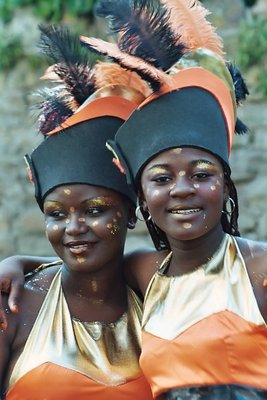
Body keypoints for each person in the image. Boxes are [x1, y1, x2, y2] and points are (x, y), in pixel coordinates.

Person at [1, 2, 267, 399]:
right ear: (143, 195)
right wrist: (16, 264)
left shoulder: (245, 269)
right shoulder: (143, 274)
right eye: (162, 178)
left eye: (201, 174)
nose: (181, 189)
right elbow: (81, 263)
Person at [0, 24, 154, 399]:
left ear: (131, 213)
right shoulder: (14, 308)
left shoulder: (156, 297)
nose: (73, 228)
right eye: (56, 214)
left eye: (94, 210)